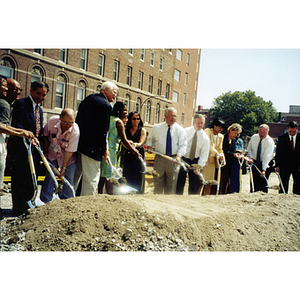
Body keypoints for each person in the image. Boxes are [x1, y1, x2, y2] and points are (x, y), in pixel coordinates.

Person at [8, 81, 49, 215]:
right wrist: (25, 133)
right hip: (20, 149)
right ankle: (18, 209)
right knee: (20, 178)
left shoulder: (40, 110)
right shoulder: (21, 104)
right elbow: (16, 123)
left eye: (43, 95)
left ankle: (28, 203)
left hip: (34, 150)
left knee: (31, 178)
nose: (41, 97)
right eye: (38, 93)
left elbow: (38, 130)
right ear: (31, 90)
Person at [75, 81, 118, 196]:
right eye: (114, 92)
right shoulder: (105, 105)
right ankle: (86, 205)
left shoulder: (88, 99)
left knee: (76, 176)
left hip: (78, 144)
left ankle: (69, 200)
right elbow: (102, 131)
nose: (115, 95)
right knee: (91, 179)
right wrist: (104, 150)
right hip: (92, 149)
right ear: (106, 90)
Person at [98, 102, 140, 195]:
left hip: (104, 151)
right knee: (110, 176)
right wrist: (135, 151)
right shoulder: (118, 122)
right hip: (112, 153)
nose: (126, 113)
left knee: (102, 176)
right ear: (118, 111)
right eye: (124, 110)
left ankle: (99, 195)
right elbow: (124, 140)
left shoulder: (108, 119)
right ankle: (110, 197)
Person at [40, 108, 80, 203]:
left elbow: (69, 152)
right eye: (66, 123)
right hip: (52, 154)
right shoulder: (51, 121)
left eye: (71, 123)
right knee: (50, 175)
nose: (68, 126)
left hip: (68, 158)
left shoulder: (75, 130)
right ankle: (45, 201)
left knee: (68, 178)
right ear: (60, 118)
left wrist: (64, 168)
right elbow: (45, 136)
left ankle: (67, 201)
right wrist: (45, 153)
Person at [146, 107, 187, 194]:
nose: (173, 118)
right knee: (158, 184)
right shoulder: (157, 128)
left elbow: (183, 145)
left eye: (175, 116)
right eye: (171, 115)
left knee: (171, 185)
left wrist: (179, 156)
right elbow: (150, 139)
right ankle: (157, 204)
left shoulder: (180, 130)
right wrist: (149, 146)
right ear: (165, 116)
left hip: (173, 160)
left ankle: (168, 205)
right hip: (159, 159)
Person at [176, 114, 209, 195]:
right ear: (193, 122)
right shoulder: (185, 131)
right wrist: (179, 156)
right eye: (198, 122)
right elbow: (179, 144)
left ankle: (191, 202)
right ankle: (177, 200)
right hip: (184, 159)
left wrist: (199, 166)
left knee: (194, 185)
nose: (200, 125)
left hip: (195, 161)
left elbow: (204, 154)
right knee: (180, 182)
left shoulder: (205, 138)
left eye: (202, 123)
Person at [199, 117, 226, 195]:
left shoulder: (221, 136)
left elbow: (220, 149)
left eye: (222, 128)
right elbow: (208, 145)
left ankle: (206, 198)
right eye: (219, 127)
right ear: (215, 126)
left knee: (209, 183)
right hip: (204, 160)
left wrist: (222, 156)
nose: (220, 130)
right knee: (201, 182)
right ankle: (196, 198)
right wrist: (217, 154)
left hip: (212, 163)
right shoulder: (207, 131)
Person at [122, 111, 147, 193]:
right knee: (127, 175)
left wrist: (135, 144)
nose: (136, 120)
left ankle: (138, 192)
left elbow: (141, 142)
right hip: (128, 156)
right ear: (130, 119)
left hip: (138, 155)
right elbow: (123, 141)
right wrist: (128, 143)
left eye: (138, 118)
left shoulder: (142, 130)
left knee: (138, 175)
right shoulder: (126, 130)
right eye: (134, 119)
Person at [247, 124, 275, 193]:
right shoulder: (254, 137)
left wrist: (264, 169)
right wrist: (251, 158)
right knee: (254, 181)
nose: (261, 134)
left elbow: (267, 156)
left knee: (263, 182)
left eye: (264, 132)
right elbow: (249, 149)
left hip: (266, 163)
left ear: (267, 132)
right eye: (260, 132)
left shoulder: (270, 141)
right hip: (255, 161)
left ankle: (263, 199)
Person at [275, 121, 300, 194]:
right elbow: (278, 153)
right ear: (287, 129)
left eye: (294, 131)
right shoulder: (281, 138)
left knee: (298, 185)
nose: (292, 133)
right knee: (283, 185)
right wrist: (277, 165)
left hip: (297, 165)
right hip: (285, 165)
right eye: (290, 131)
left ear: (297, 129)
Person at [219, 123, 243, 194]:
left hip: (231, 164)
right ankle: (221, 193)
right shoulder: (223, 138)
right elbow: (224, 151)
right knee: (223, 181)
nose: (236, 135)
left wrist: (238, 154)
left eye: (237, 134)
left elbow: (233, 151)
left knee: (230, 181)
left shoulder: (233, 140)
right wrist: (233, 155)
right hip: (224, 163)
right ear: (230, 130)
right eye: (235, 133)